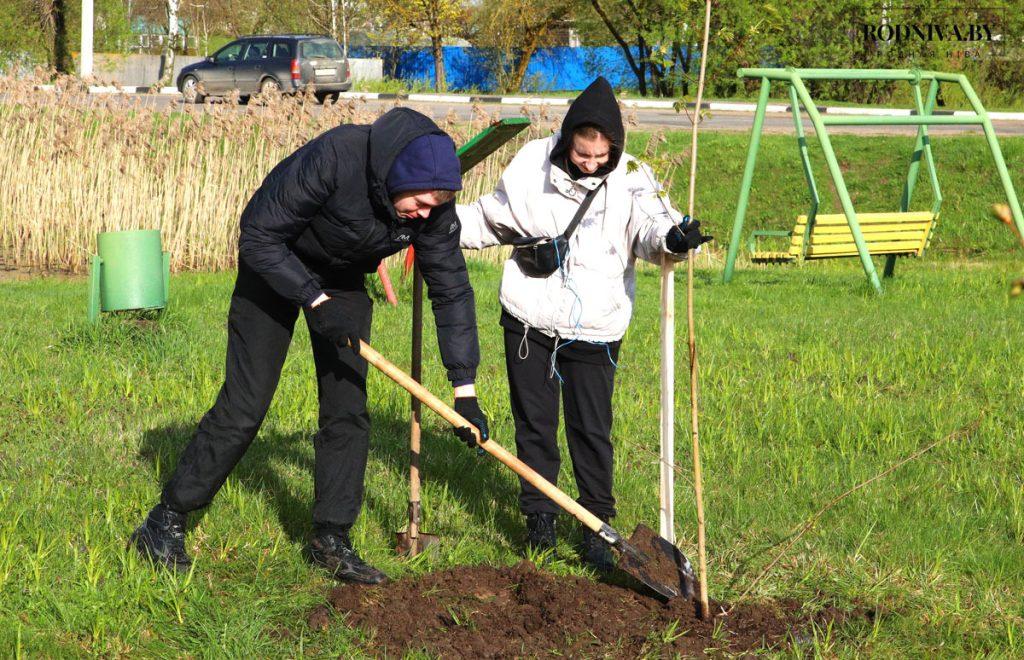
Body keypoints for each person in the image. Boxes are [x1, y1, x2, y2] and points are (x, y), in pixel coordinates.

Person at [130, 108, 490, 584]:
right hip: (274, 265)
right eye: (419, 204)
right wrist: (313, 300)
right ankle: (165, 520)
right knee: (246, 403)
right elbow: (257, 233)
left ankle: (331, 539)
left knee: (347, 409)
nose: (424, 216)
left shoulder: (433, 211)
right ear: (397, 177)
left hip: (341, 279)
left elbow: (451, 290)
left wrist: (465, 389)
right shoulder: (337, 156)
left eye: (433, 209)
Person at [457, 77, 710, 571]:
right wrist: (438, 226)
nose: (591, 164)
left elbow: (652, 229)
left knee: (592, 431)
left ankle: (597, 526)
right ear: (568, 139)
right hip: (529, 320)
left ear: (614, 146)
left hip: (596, 327)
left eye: (600, 156)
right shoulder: (532, 162)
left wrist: (676, 239)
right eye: (582, 154)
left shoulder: (634, 176)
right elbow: (493, 217)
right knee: (535, 427)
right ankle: (540, 519)